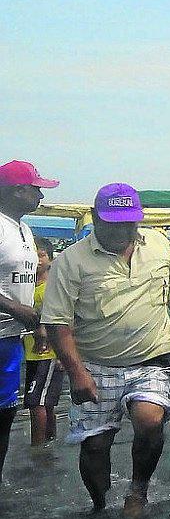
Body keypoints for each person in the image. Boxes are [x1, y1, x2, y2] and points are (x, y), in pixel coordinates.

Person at [41, 183, 170, 516]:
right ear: (95, 217)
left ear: (138, 219)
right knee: (95, 444)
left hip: (151, 358)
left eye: (127, 222)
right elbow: (58, 323)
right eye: (112, 222)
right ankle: (100, 506)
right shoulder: (71, 261)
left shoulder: (158, 244)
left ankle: (138, 491)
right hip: (94, 364)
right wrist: (76, 373)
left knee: (150, 419)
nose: (120, 230)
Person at [0, 160, 57, 478]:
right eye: (36, 189)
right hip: (6, 327)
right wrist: (17, 309)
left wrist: (35, 324)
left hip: (11, 337)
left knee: (6, 411)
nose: (41, 196)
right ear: (16, 191)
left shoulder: (24, 229)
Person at [24, 237, 62, 445]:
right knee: (45, 402)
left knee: (35, 402)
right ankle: (50, 442)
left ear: (50, 259)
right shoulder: (27, 288)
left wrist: (62, 356)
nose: (38, 260)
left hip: (48, 354)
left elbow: (64, 320)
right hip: (32, 352)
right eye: (34, 255)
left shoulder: (50, 288)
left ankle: (37, 448)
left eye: (42, 255)